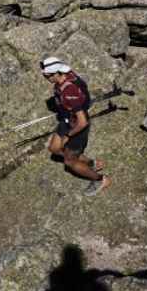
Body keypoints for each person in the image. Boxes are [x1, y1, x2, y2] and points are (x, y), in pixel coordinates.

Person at [40, 57, 109, 195]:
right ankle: (91, 163)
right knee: (54, 148)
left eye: (46, 75)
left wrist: (67, 136)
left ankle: (100, 179)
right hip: (67, 120)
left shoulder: (69, 90)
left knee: (69, 161)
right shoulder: (68, 75)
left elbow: (82, 122)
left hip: (76, 126)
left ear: (56, 73)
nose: (45, 77)